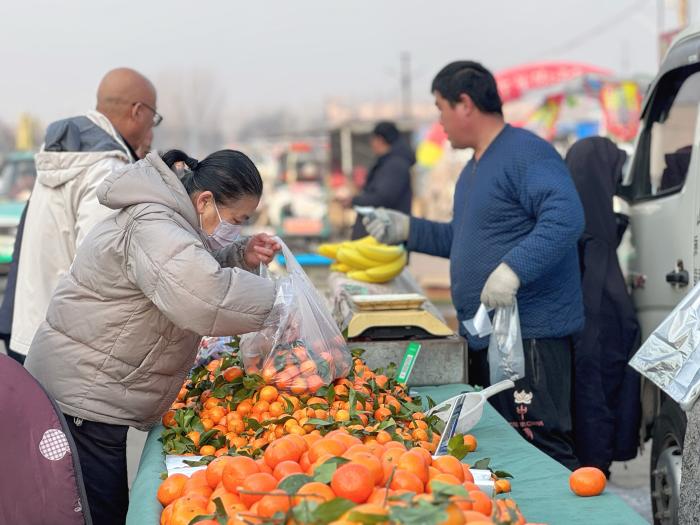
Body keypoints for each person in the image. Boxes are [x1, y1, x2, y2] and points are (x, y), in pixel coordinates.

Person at [25, 148, 281, 525]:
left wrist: (240, 254)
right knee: (96, 511)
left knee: (95, 505)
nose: (236, 228)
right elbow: (203, 297)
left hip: (89, 388)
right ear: (205, 200)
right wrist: (281, 304)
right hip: (81, 396)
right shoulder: (154, 224)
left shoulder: (169, 221)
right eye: (236, 220)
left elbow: (187, 269)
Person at [364, 61, 584, 469]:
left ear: (465, 104)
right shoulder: (473, 169)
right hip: (491, 336)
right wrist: (407, 228)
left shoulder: (524, 153)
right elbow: (461, 239)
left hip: (530, 336)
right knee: (508, 451)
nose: (440, 121)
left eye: (441, 107)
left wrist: (513, 269)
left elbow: (566, 216)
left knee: (541, 448)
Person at [7, 67, 159, 363]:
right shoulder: (106, 168)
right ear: (138, 111)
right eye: (154, 118)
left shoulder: (63, 153)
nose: (153, 128)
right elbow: (102, 266)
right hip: (67, 346)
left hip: (31, 323)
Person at [566, 137, 641, 476]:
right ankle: (596, 463)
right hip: (598, 331)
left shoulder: (576, 222)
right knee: (595, 383)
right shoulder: (594, 236)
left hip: (590, 332)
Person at [345, 121, 414, 240]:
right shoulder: (388, 163)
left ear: (380, 140)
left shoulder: (395, 165)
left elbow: (382, 198)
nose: (372, 144)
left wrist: (354, 200)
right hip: (380, 239)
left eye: (373, 139)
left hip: (385, 240)